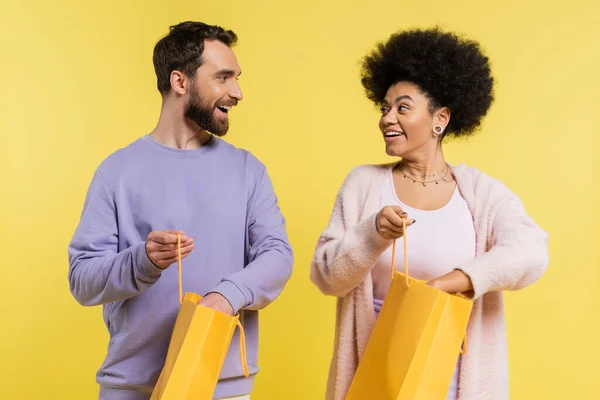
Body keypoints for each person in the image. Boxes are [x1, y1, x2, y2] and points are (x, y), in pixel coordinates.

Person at [310, 27, 549, 400]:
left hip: (457, 383)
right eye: (384, 108)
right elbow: (327, 277)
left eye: (403, 107)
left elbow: (532, 253)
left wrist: (453, 281)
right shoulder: (363, 184)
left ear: (440, 118)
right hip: (375, 378)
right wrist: (373, 233)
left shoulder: (481, 194)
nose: (387, 118)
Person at [68, 21, 293, 400]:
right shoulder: (117, 172)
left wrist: (227, 296)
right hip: (132, 388)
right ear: (180, 82)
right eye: (223, 78)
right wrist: (143, 261)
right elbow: (83, 280)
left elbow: (278, 255)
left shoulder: (247, 169)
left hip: (223, 387)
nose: (237, 92)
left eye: (237, 78)